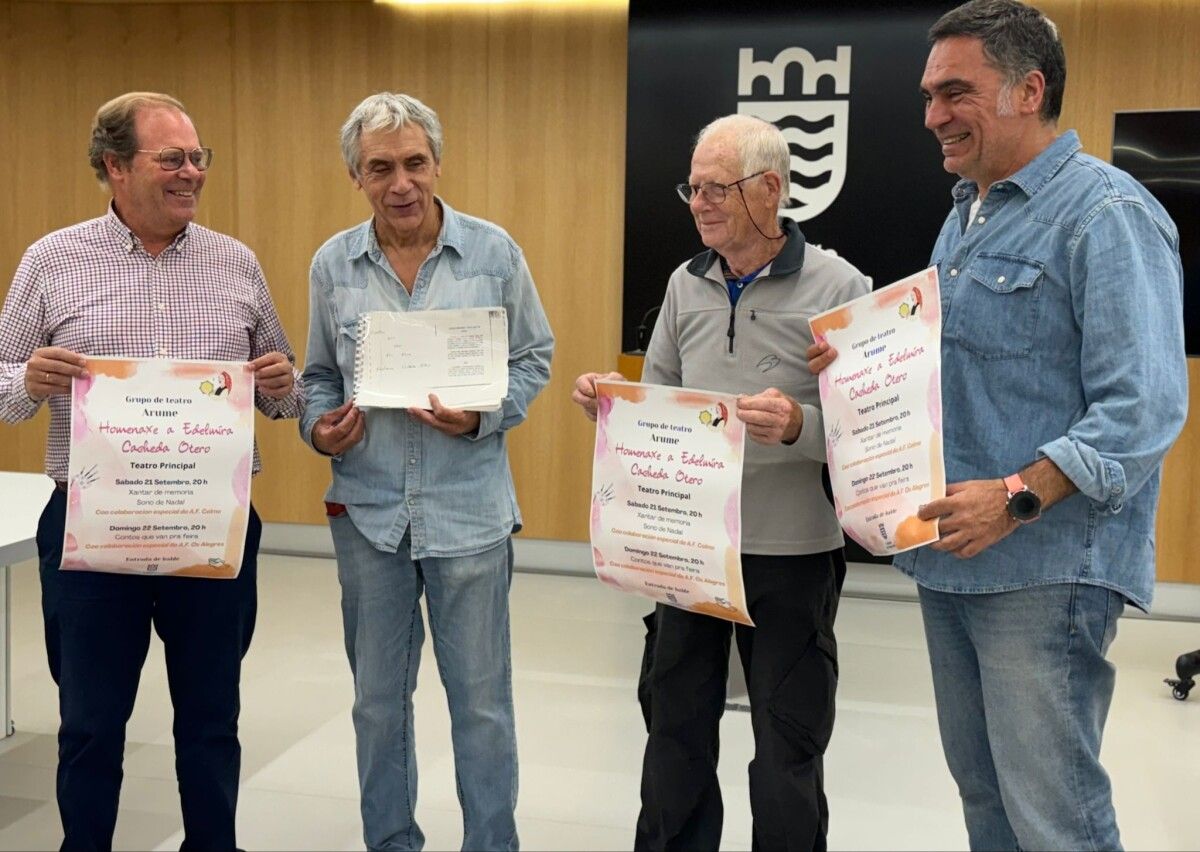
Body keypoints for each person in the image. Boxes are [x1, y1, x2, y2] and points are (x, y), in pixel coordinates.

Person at [807, 2, 1188, 848]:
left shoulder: (1106, 215)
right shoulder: (969, 215)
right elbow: (956, 370)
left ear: (1029, 89)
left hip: (1043, 569)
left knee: (1055, 817)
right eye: (929, 95)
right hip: (953, 561)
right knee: (986, 801)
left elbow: (1145, 406)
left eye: (955, 93)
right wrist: (860, 371)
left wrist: (1015, 497)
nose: (933, 115)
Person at [0, 91, 303, 849]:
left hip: (211, 529)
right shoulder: (52, 259)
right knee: (92, 725)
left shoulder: (236, 262)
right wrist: (26, 382)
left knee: (211, 722)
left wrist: (279, 384)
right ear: (114, 167)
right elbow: (3, 378)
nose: (192, 172)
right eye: (172, 158)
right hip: (91, 532)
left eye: (199, 157)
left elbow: (284, 388)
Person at [573, 114, 871, 851]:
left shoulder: (841, 285)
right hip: (690, 553)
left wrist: (799, 426)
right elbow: (664, 400)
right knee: (672, 734)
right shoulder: (685, 282)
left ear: (770, 190)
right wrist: (614, 405)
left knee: (787, 746)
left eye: (716, 188)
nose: (698, 203)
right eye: (692, 187)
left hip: (792, 555)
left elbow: (870, 430)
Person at [300, 92, 553, 852]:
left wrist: (483, 414)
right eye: (382, 168)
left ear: (438, 164)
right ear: (357, 176)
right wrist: (322, 426)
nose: (401, 182)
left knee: (480, 706)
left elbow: (534, 358)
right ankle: (391, 844)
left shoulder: (494, 253)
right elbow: (317, 375)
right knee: (378, 706)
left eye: (415, 163)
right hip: (369, 515)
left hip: (469, 516)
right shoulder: (332, 264)